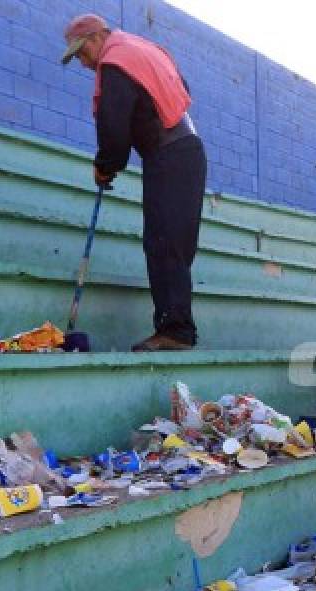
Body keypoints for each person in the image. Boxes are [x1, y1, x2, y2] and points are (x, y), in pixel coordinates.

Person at [61, 14, 206, 352]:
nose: (84, 63)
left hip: (169, 153)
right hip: (186, 149)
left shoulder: (114, 60)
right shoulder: (144, 48)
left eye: (82, 53)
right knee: (173, 241)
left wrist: (105, 166)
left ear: (98, 37)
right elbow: (183, 89)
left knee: (163, 240)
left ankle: (176, 330)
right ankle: (179, 327)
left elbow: (114, 128)